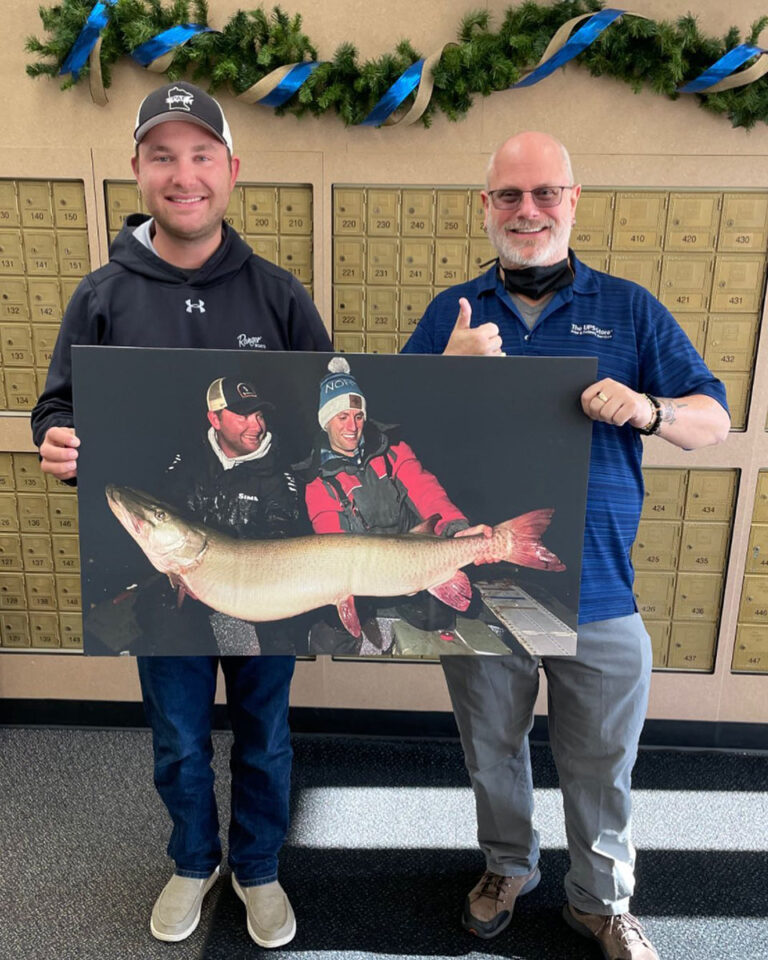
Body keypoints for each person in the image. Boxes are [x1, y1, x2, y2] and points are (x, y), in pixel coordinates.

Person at [402, 132, 729, 960]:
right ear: (487, 207)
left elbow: (711, 420)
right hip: (480, 581)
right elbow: (388, 437)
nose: (528, 211)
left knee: (601, 760)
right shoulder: (454, 310)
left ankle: (601, 898)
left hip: (599, 588)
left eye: (545, 194)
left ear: (573, 202)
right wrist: (445, 366)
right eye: (509, 196)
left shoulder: (630, 308)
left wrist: (650, 410)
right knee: (492, 748)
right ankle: (508, 866)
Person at [31, 81, 331, 947]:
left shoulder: (277, 296)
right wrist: (57, 444)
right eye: (163, 155)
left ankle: (261, 867)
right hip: (165, 574)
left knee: (266, 734)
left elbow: (328, 419)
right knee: (176, 735)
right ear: (138, 170)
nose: (183, 173)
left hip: (267, 571)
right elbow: (59, 411)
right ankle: (194, 860)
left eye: (201, 154)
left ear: (231, 170)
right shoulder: (102, 295)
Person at [298, 356, 487, 653]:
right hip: (360, 577)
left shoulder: (393, 451)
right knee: (329, 638)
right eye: (342, 417)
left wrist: (458, 529)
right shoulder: (316, 481)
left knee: (441, 616)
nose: (353, 426)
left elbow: (428, 493)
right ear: (326, 421)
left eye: (358, 416)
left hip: (416, 559)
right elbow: (330, 539)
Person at [160, 375, 310, 656]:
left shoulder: (278, 475)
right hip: (190, 588)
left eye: (260, 415)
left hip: (249, 596)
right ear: (215, 420)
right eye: (243, 416)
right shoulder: (189, 459)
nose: (257, 426)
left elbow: (282, 542)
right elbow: (172, 515)